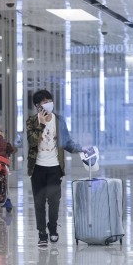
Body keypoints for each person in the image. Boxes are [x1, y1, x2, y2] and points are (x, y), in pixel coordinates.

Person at [26, 89, 82, 249]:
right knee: (39, 203)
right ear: (38, 106)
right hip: (37, 168)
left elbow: (67, 142)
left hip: (55, 168)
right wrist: (42, 124)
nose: (48, 103)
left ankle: (52, 227)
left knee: (54, 202)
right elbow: (32, 141)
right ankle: (42, 234)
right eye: (44, 102)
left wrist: (82, 149)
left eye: (49, 100)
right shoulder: (31, 121)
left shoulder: (59, 120)